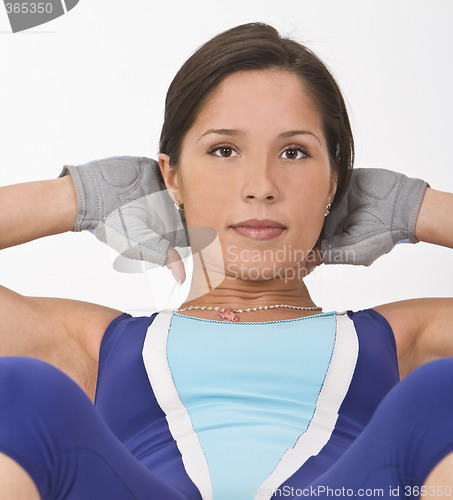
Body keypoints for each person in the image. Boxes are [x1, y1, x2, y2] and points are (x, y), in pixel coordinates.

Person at [0, 22, 452, 500]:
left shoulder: (399, 339)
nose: (260, 184)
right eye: (224, 150)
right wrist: (83, 197)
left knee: (443, 392)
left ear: (333, 184)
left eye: (294, 152)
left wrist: (417, 209)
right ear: (171, 177)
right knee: (23, 390)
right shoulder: (98, 344)